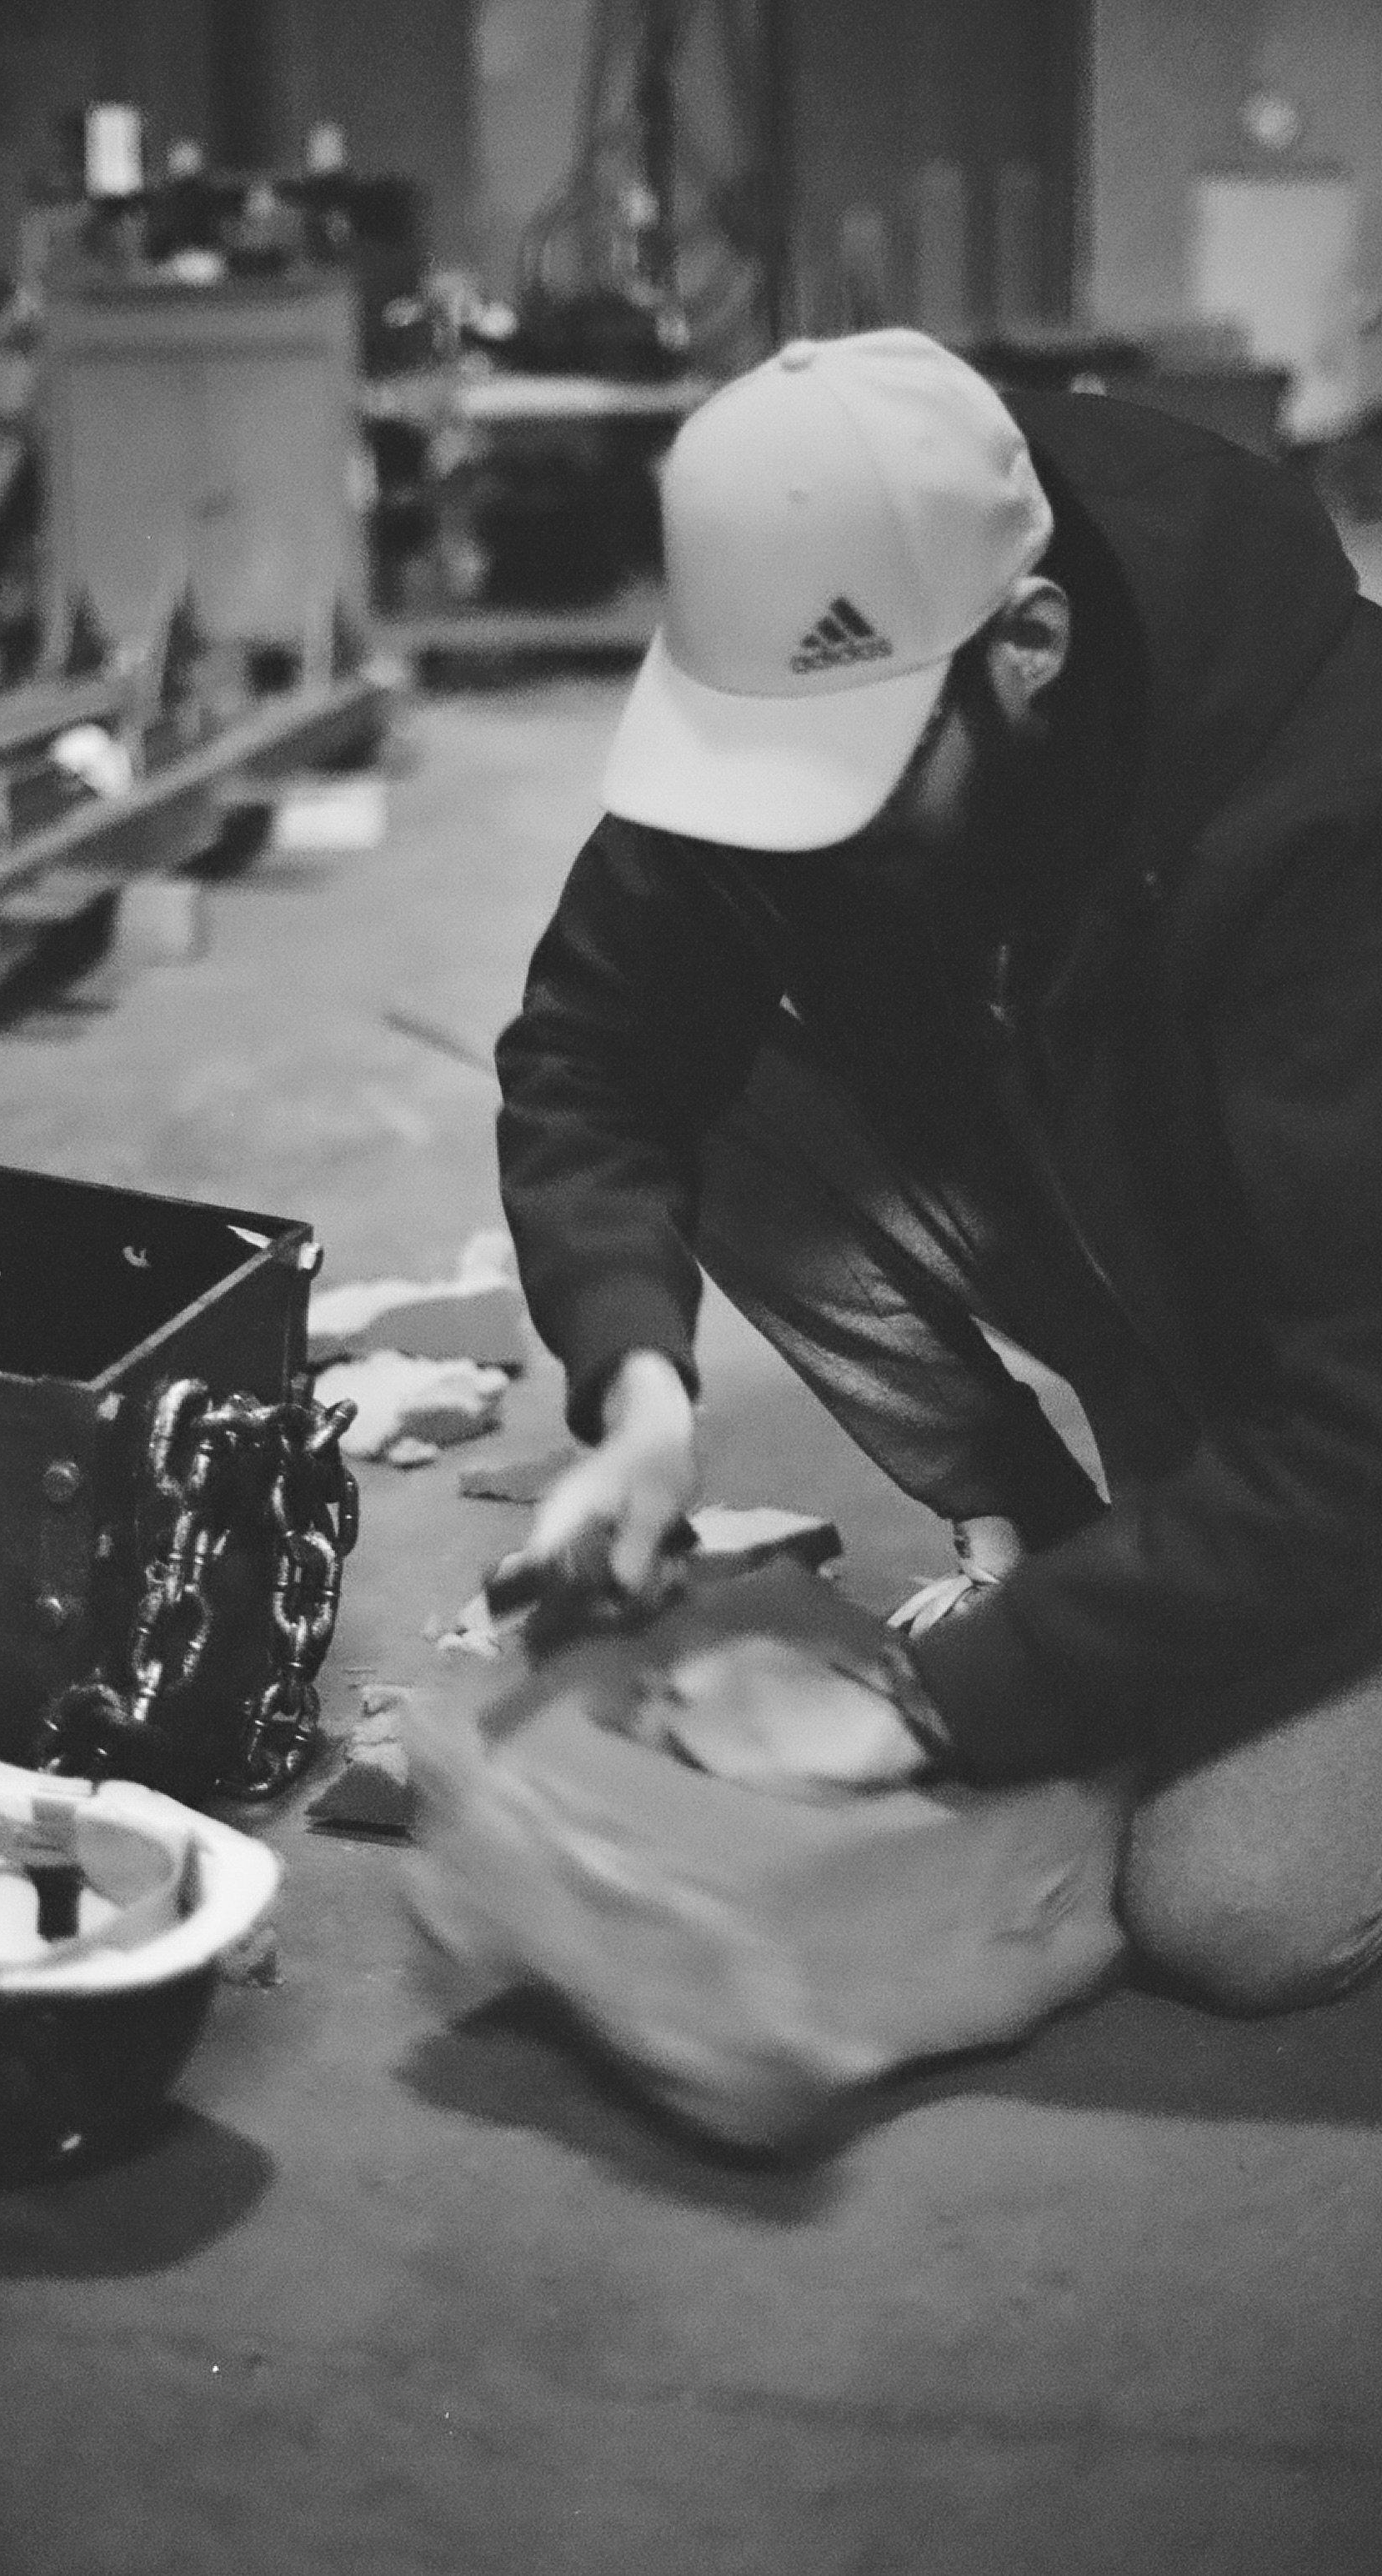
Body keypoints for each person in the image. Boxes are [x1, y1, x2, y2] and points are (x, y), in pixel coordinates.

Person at [493, 328, 1382, 2018]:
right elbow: (593, 1057)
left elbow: (1362, 1425)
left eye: (836, 793)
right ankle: (1080, 1539)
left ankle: (1180, 1590)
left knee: (1231, 1907)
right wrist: (636, 1392)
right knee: (725, 1088)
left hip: (1347, 1372)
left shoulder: (1331, 813)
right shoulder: (794, 693)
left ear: (1024, 647)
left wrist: (939, 1708)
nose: (778, 835)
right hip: (1161, 1239)